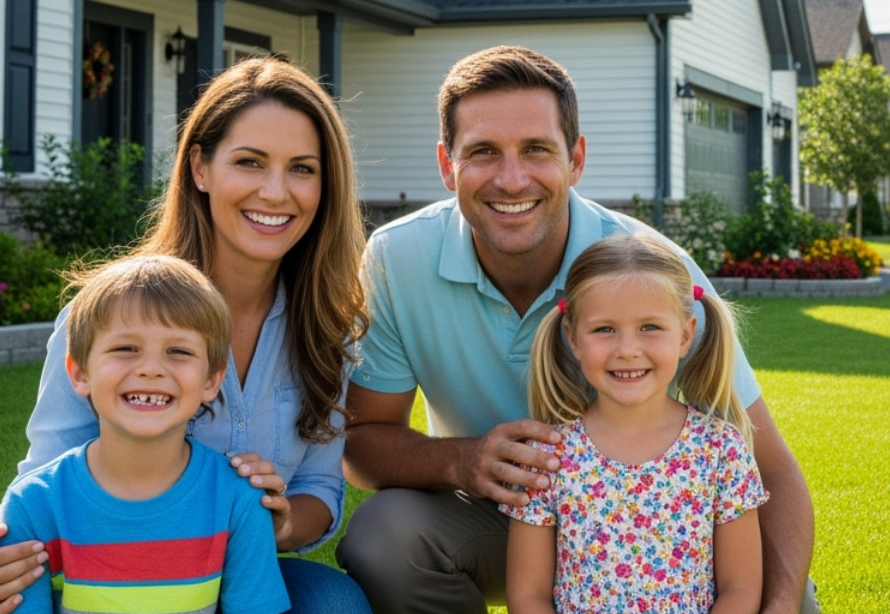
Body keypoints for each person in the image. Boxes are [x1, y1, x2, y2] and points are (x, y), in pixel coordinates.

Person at [336, 45, 816, 614]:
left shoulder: (653, 268)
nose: (511, 180)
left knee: (789, 601)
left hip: (663, 534)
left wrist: (780, 606)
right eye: (483, 152)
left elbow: (774, 469)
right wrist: (462, 461)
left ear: (576, 159)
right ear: (447, 165)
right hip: (508, 515)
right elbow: (363, 445)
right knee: (385, 535)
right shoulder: (398, 257)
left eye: (537, 149)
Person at [0, 57, 371, 614]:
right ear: (199, 167)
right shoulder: (106, 317)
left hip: (238, 576)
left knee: (335, 603)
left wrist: (277, 521)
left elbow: (323, 490)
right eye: (249, 162)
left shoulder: (325, 328)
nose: (276, 192)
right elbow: (45, 482)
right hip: (112, 580)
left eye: (302, 168)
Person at [0, 255, 289, 614]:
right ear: (79, 372)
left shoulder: (239, 500)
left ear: (212, 380)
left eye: (178, 351)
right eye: (126, 349)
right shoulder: (33, 504)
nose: (151, 369)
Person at [505, 233, 765, 614]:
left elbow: (740, 590)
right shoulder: (546, 457)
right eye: (605, 329)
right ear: (573, 338)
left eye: (650, 328)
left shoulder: (720, 450)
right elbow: (528, 597)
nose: (627, 350)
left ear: (685, 335)